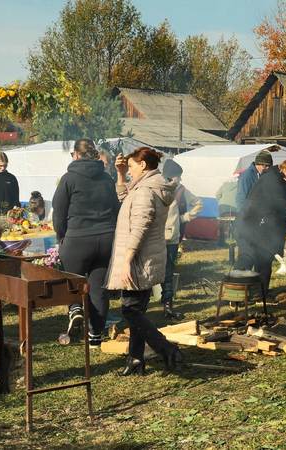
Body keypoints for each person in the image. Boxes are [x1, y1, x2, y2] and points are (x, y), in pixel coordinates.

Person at [106, 147, 181, 376]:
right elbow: (123, 198)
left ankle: (167, 349)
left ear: (143, 165)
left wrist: (127, 258)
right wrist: (119, 174)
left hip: (139, 259)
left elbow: (140, 225)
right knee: (136, 310)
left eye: (130, 167)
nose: (128, 171)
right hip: (146, 257)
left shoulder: (146, 190)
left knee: (130, 312)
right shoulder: (147, 185)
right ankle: (136, 359)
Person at [53, 139, 119, 348]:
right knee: (99, 290)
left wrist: (62, 237)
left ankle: (75, 310)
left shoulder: (68, 179)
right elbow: (115, 210)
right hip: (106, 240)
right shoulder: (107, 179)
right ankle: (95, 337)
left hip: (78, 240)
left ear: (76, 155)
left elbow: (59, 214)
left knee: (73, 281)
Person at [234, 160, 286, 295]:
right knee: (247, 257)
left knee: (264, 260)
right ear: (285, 169)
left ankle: (260, 294)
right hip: (250, 226)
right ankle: (236, 292)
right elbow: (277, 203)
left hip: (262, 229)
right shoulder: (272, 179)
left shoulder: (276, 179)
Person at [161, 159, 202, 320]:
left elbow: (198, 203)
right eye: (178, 176)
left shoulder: (181, 190)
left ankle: (167, 305)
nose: (180, 179)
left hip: (171, 237)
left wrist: (184, 218)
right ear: (171, 176)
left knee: (168, 272)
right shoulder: (156, 187)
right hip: (154, 237)